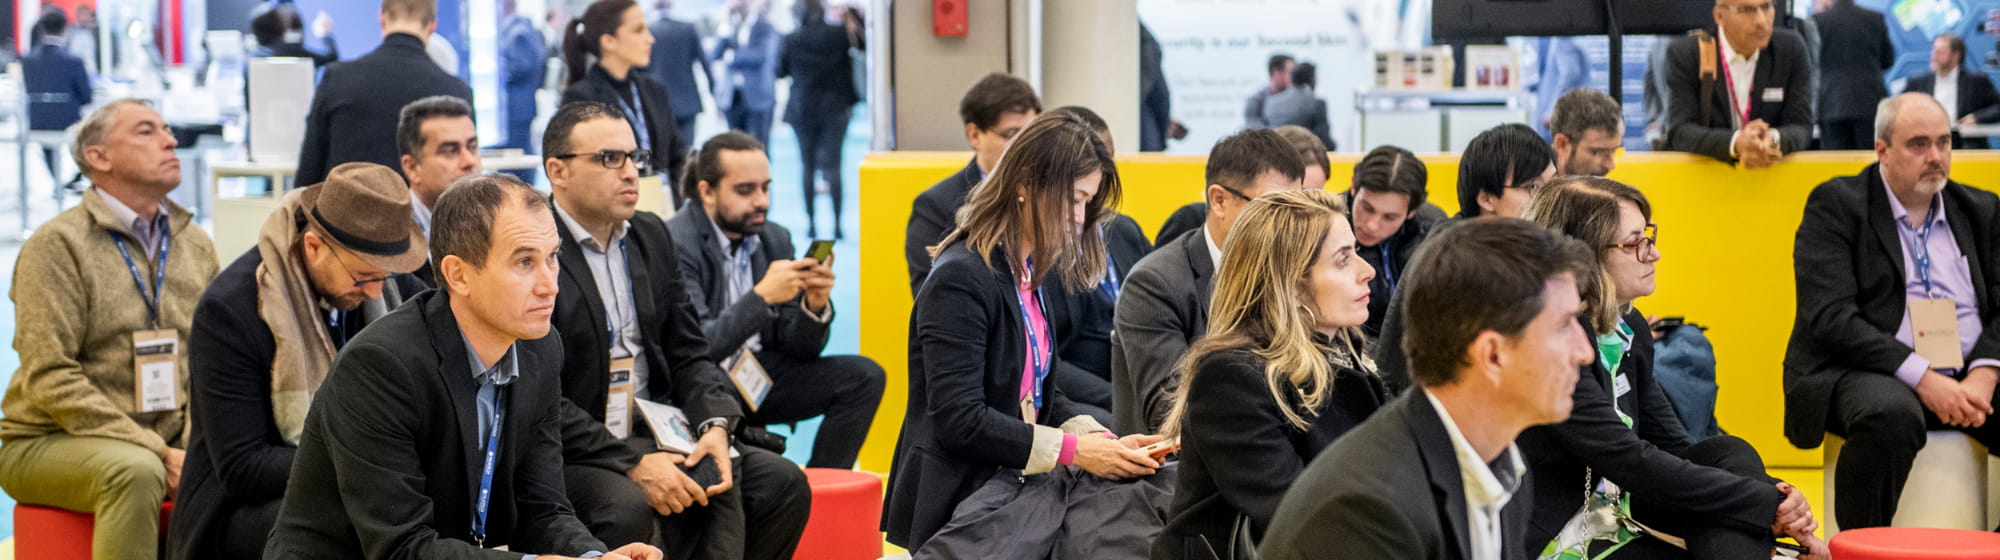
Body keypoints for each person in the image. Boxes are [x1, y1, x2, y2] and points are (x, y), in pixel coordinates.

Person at [262, 175, 661, 560]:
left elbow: (543, 506)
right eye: (524, 262)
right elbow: (401, 548)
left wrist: (591, 556)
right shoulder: (382, 365)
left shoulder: (540, 348)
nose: (550, 284)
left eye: (552, 257)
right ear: (458, 274)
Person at [540, 103, 811, 559]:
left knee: (781, 483)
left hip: (659, 426)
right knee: (626, 507)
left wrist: (713, 426)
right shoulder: (537, 249)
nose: (630, 173)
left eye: (634, 158)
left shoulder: (649, 235)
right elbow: (540, 392)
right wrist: (632, 462)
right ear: (557, 171)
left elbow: (690, 353)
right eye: (610, 159)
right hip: (576, 445)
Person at [886, 110, 1163, 551]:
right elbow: (960, 421)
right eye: (1074, 199)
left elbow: (1039, 398)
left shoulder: (1029, 272)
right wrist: (1076, 451)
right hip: (965, 494)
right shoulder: (961, 277)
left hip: (1013, 481)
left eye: (1087, 203)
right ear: (1024, 184)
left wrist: (1103, 441)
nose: (1080, 217)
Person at [1520, 176, 1827, 559]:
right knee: (1735, 513)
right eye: (1635, 243)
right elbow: (1630, 460)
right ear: (1585, 257)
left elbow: (1675, 445)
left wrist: (1779, 495)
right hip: (1563, 532)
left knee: (1728, 452)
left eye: (1649, 236)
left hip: (1622, 513)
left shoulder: (1629, 329)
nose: (1654, 254)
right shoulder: (1554, 339)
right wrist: (1763, 502)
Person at [1260, 218, 1595, 560]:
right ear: (1492, 355)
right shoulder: (1369, 512)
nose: (1585, 352)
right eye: (1563, 326)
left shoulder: (1504, 464)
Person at [169, 163, 427, 560]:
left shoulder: (389, 282)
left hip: (357, 483)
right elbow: (244, 467)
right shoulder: (234, 309)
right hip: (242, 510)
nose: (377, 290)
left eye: (385, 276)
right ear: (313, 247)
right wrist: (365, 458)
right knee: (357, 529)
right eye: (362, 277)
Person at [0, 99, 218, 560]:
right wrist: (158, 451)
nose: (171, 140)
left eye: (167, 129)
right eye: (146, 131)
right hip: (47, 439)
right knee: (135, 471)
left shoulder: (195, 244)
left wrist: (195, 444)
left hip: (164, 436)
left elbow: (212, 361)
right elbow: (50, 377)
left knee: (240, 464)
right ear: (98, 158)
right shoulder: (56, 246)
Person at [1785, 93, 2000, 530]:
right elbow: (1830, 318)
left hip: (1969, 366)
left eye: (1944, 142)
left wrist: (1985, 371)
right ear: (1882, 150)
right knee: (1890, 416)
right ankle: (1861, 547)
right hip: (1864, 367)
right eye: (1918, 145)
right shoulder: (1837, 205)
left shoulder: (1982, 209)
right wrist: (1924, 377)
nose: (1935, 156)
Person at [1153, 189, 1390, 559]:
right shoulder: (1232, 376)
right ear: (1292, 285)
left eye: (1356, 252)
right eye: (1344, 260)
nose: (1367, 271)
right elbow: (1299, 517)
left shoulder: (1348, 354)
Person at [666, 130, 885, 469]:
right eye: (745, 190)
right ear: (707, 192)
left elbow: (799, 350)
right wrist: (761, 297)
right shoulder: (676, 242)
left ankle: (822, 491)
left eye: (765, 187)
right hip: (701, 382)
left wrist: (813, 306)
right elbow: (696, 348)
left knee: (865, 377)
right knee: (720, 386)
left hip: (756, 374)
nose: (761, 201)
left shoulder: (773, 239)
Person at [1112, 129, 1307, 435]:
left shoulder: (1291, 272)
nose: (1287, 226)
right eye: (1273, 209)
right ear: (1219, 200)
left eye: (1295, 210)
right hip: (1173, 469)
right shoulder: (1155, 284)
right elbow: (1168, 413)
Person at [1374, 123, 1555, 389]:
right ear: (1486, 198)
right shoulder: (1458, 266)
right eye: (1532, 188)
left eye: (1553, 184)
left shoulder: (1501, 251)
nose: (1550, 199)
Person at [1033, 106, 1149, 424]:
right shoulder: (1040, 251)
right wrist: (1122, 400)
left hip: (1134, 381)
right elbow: (1044, 363)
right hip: (1083, 393)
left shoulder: (1124, 230)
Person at [295, 0, 471, 187]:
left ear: (382, 18)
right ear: (432, 26)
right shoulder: (457, 92)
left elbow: (309, 171)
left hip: (342, 213)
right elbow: (462, 183)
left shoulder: (337, 79)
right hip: (423, 216)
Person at [904, 72, 1041, 294]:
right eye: (1012, 135)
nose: (1025, 147)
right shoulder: (936, 207)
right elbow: (932, 297)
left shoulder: (1052, 197)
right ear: (974, 135)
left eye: (1032, 134)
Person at [1659, 0, 1813, 168]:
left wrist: (1771, 140)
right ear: (1719, 16)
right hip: (1708, 181)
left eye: (1766, 7)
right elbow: (1680, 131)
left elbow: (1802, 126)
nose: (1761, 21)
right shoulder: (1689, 54)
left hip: (1771, 180)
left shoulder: (1789, 50)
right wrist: (1737, 143)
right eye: (1747, 10)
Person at [563, 0, 688, 193]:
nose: (650, 39)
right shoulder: (581, 98)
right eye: (638, 30)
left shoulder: (654, 90)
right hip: (613, 209)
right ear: (609, 41)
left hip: (662, 207)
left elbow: (677, 154)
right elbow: (586, 169)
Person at [778, 0, 863, 240]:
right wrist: (854, 15)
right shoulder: (839, 35)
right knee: (835, 165)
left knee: (807, 166)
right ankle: (837, 226)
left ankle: (811, 225)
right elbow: (863, 45)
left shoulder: (791, 38)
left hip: (801, 109)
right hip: (836, 108)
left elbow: (780, 71)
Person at [392, 95, 482, 292]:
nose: (469, 161)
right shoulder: (391, 240)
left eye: (472, 147)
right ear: (412, 167)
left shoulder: (494, 223)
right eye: (450, 151)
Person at [1345, 145, 1430, 338]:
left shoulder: (1431, 230)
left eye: (1390, 217)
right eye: (1367, 207)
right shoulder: (1327, 228)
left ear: (1411, 212)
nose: (1372, 225)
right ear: (1353, 187)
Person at [22, 11, 91, 188]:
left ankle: (58, 180)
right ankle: (80, 176)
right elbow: (85, 97)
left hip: (38, 122)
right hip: (68, 122)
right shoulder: (73, 60)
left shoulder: (28, 60)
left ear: (41, 29)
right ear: (65, 29)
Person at [1812, 0, 1892, 150]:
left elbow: (1811, 63)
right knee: (1872, 162)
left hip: (1831, 104)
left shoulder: (1818, 21)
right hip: (1869, 104)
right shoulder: (1875, 18)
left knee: (1835, 164)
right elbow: (1888, 60)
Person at [1903, 34, 2000, 150]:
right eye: (1933, 50)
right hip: (1927, 145)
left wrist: (1976, 118)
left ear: (1956, 55)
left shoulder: (1977, 82)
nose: (1934, 55)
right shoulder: (1918, 82)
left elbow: (1997, 107)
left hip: (1966, 146)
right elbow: (1900, 109)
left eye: (1941, 51)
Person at [712, 0, 780, 147]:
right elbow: (714, 54)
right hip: (733, 97)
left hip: (758, 97)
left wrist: (732, 57)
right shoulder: (730, 27)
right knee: (735, 147)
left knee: (758, 146)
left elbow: (760, 55)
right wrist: (726, 27)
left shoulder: (765, 26)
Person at [648, 0, 714, 144]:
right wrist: (713, 91)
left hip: (657, 102)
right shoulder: (688, 28)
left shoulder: (648, 31)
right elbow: (704, 63)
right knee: (686, 153)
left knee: (662, 153)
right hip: (687, 101)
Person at [500, 0, 547, 155]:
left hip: (518, 108)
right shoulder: (519, 29)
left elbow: (522, 66)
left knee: (519, 155)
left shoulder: (518, 32)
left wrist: (501, 75)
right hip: (520, 108)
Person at [1550, 88, 1625, 176]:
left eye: (1614, 151)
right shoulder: (1533, 186)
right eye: (1597, 152)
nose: (1610, 165)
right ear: (1562, 145)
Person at [1262, 62, 1335, 150]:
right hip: (1304, 156)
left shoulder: (1271, 101)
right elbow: (1324, 141)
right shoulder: (1316, 103)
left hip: (1274, 153)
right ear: (1312, 79)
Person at [249, 4, 339, 68]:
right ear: (277, 25)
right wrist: (324, 33)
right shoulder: (288, 50)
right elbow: (331, 59)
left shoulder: (253, 56)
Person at [1245, 54, 1294, 129]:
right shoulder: (1255, 101)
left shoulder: (1295, 100)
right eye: (1291, 73)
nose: (1293, 77)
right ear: (1276, 73)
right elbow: (1255, 132)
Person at [66, 3, 97, 74]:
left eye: (86, 15)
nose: (84, 18)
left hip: (93, 71)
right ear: (76, 15)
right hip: (72, 70)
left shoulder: (97, 32)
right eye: (82, 14)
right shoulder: (69, 31)